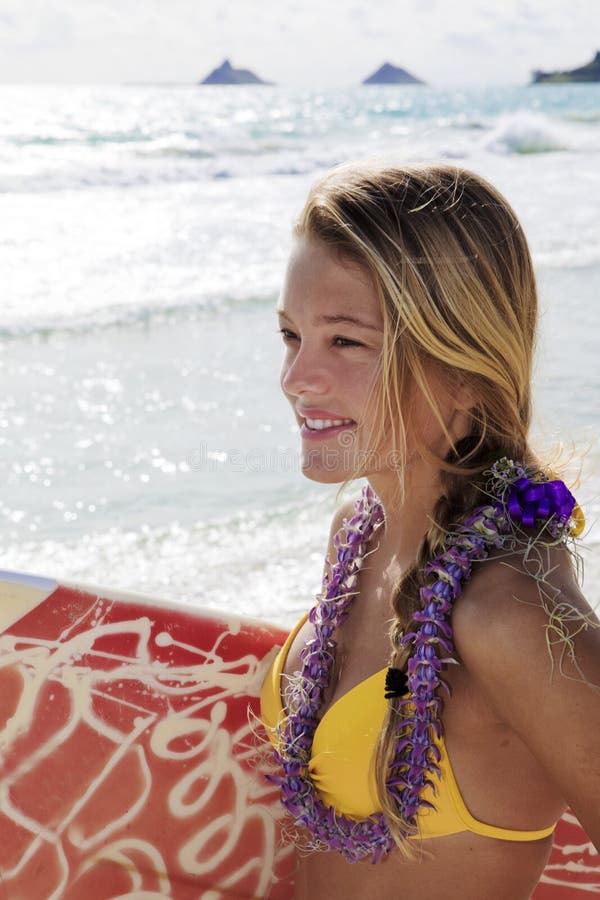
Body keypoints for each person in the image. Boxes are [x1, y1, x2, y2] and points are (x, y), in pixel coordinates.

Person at [259, 161, 600, 900]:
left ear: (464, 361)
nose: (297, 377)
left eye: (344, 342)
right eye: (292, 335)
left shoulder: (510, 611)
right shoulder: (358, 532)